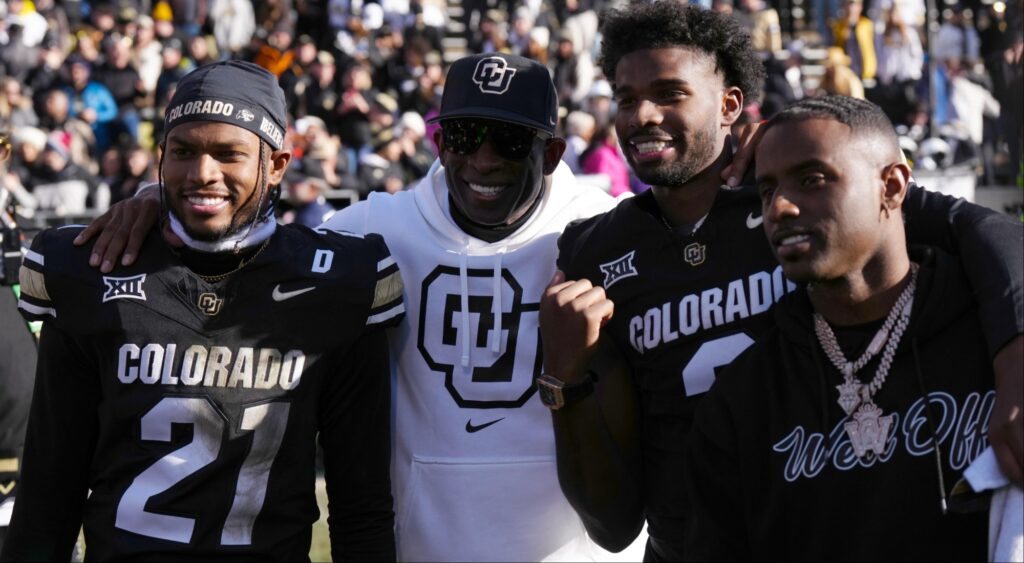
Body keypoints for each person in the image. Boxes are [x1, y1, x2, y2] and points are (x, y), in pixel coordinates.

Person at [67, 51, 766, 562]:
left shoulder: (602, 228)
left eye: (509, 141)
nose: (482, 160)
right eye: (462, 136)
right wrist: (158, 201)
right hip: (421, 548)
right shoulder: (373, 233)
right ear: (437, 140)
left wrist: (752, 166)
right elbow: (248, 241)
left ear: (552, 152)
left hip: (583, 551)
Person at [538, 3, 1023, 562]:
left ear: (730, 105)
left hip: (829, 512)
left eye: (670, 93)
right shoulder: (595, 251)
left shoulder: (801, 196)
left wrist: (1017, 362)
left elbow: (987, 231)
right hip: (692, 543)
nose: (642, 114)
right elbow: (613, 525)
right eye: (625, 98)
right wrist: (564, 383)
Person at [0, 61, 403, 562]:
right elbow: (48, 495)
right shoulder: (92, 268)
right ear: (161, 158)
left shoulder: (339, 283)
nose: (202, 174)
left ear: (276, 164)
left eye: (227, 154)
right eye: (184, 152)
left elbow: (361, 505)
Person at [684, 95, 994, 560]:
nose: (780, 208)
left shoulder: (994, 340)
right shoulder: (745, 394)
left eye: (812, 180)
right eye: (767, 190)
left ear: (891, 187)